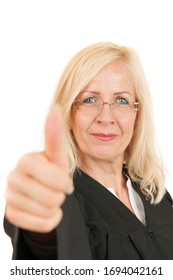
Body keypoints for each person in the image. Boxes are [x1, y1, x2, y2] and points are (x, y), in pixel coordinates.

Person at [4, 42, 173, 260]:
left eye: (121, 100)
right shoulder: (62, 199)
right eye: (89, 99)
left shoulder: (154, 193)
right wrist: (39, 231)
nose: (105, 117)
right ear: (69, 114)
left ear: (136, 114)